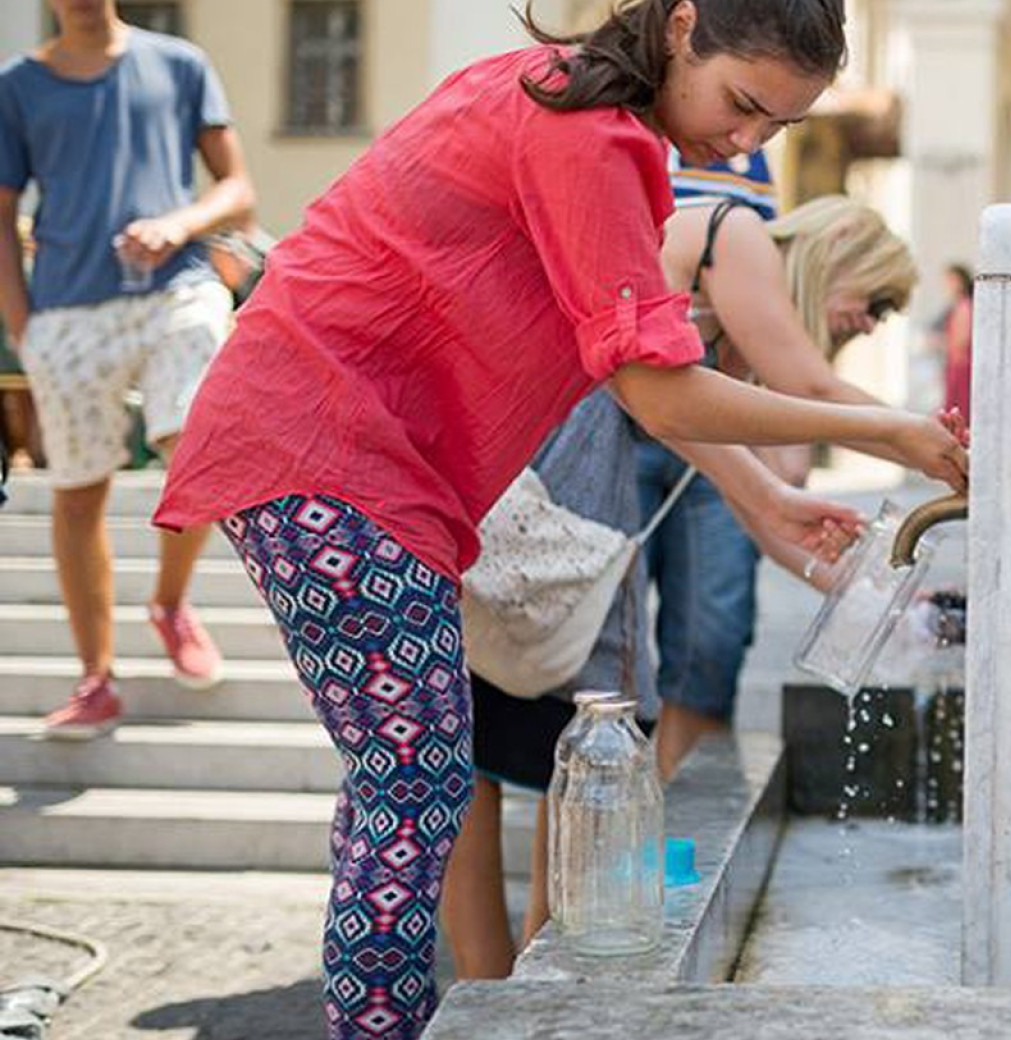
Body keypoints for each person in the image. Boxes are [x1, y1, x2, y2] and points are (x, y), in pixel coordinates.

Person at [151, 2, 968, 1036]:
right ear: (682, 27)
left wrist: (762, 498)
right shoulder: (587, 130)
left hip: (351, 451)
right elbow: (662, 387)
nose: (749, 142)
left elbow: (634, 378)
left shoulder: (571, 102)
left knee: (403, 787)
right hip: (325, 443)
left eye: (780, 128)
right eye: (744, 104)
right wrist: (896, 434)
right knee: (415, 787)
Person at [1, 0, 255, 738]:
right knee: (79, 494)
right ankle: (96, 679)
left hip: (178, 288)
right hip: (66, 315)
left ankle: (170, 604)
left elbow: (237, 187)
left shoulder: (178, 64)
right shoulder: (17, 88)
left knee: (201, 452)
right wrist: (26, 328)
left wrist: (180, 223)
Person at [640, 193, 919, 776]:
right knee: (588, 680)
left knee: (704, 653)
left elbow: (764, 506)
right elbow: (813, 391)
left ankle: (676, 836)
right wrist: (929, 446)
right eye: (879, 301)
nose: (870, 323)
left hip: (643, 446)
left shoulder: (745, 355)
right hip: (592, 441)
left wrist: (883, 599)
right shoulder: (740, 234)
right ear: (841, 243)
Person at [941, 263, 973, 422]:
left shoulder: (964, 305)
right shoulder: (959, 305)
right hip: (956, 365)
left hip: (960, 366)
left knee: (958, 412)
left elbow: (961, 339)